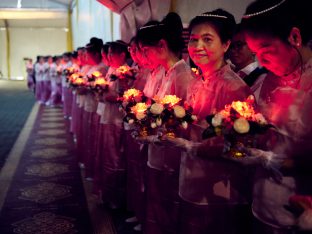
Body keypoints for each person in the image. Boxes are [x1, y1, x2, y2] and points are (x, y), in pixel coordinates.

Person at [162, 9, 252, 234]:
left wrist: (191, 146)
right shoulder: (195, 81)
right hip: (191, 171)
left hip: (218, 182)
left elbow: (236, 144)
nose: (197, 46)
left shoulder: (234, 87)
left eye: (207, 39)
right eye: (193, 40)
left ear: (226, 45)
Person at [240, 0, 312, 233]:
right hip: (261, 200)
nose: (260, 61)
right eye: (255, 53)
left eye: (266, 50)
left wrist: (285, 162)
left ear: (294, 36)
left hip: (298, 209)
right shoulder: (269, 79)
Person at [136, 12, 193, 234]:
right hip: (158, 147)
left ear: (161, 45)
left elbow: (185, 119)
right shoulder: (166, 72)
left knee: (169, 202)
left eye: (145, 50)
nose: (143, 56)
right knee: (158, 197)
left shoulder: (182, 75)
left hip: (172, 153)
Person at [228, 23, 267, 101]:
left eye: (239, 45)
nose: (232, 50)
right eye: (230, 46)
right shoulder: (228, 73)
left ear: (253, 47)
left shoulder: (262, 77)